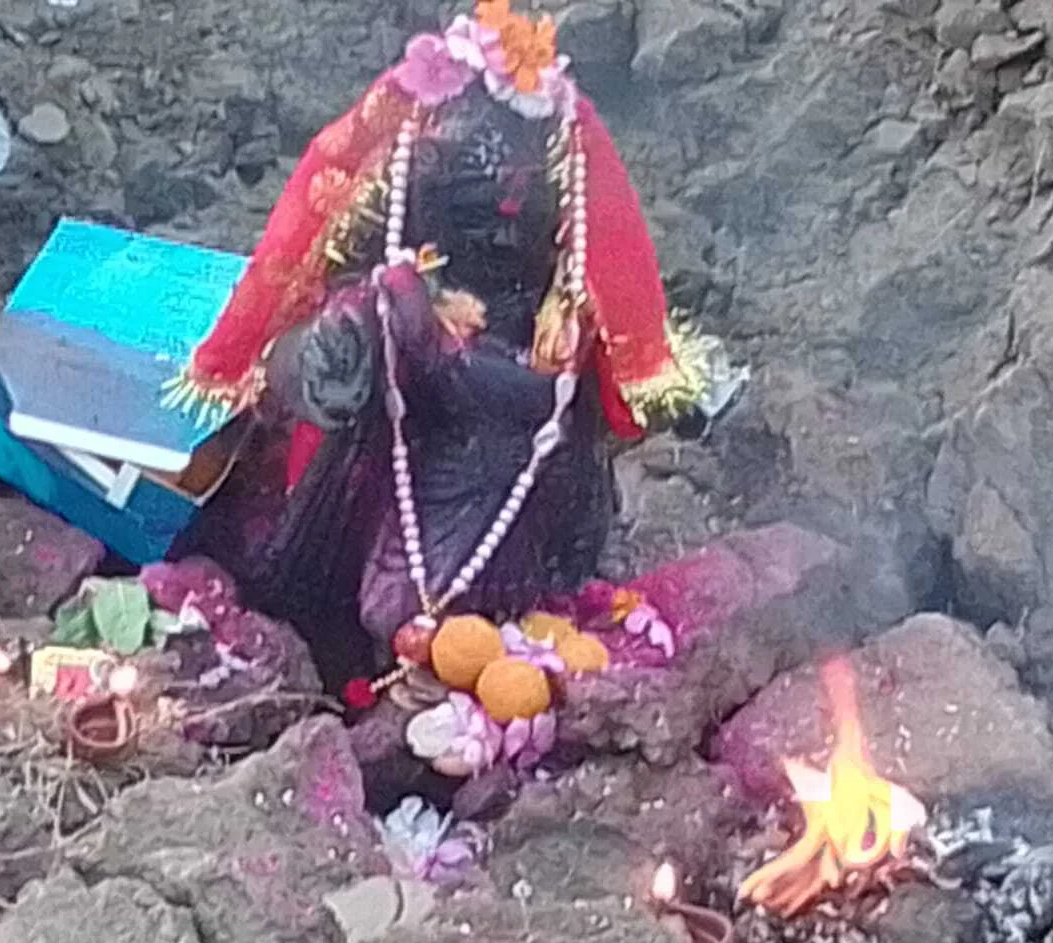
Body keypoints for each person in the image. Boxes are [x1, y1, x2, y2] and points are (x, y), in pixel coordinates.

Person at [171, 0, 709, 687]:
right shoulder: (407, 157)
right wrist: (361, 330)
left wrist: (515, 358)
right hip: (399, 396)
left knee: (458, 594)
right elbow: (329, 282)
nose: (498, 219)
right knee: (364, 589)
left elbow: (595, 309)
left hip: (516, 403)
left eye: (515, 202)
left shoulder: (562, 186)